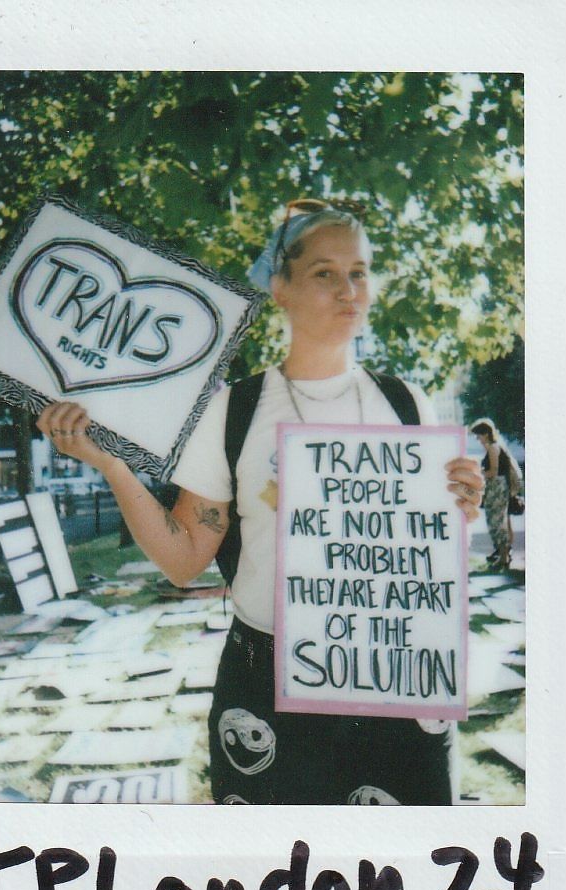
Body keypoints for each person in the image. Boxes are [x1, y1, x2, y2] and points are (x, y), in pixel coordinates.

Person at [37, 199, 483, 806]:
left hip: (395, 680)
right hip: (268, 689)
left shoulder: (408, 404)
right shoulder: (234, 412)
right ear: (280, 288)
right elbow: (184, 558)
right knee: (275, 874)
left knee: (396, 879)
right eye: (325, 272)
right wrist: (112, 464)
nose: (348, 289)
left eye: (359, 271)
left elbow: (418, 555)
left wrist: (460, 508)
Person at [470, 418, 520, 570]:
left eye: (478, 435)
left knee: (496, 522)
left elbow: (494, 471)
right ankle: (503, 555)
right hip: (498, 488)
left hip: (497, 488)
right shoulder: (495, 446)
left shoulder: (492, 448)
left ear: (485, 434)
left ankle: (503, 558)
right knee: (499, 522)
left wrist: (478, 473)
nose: (477, 439)